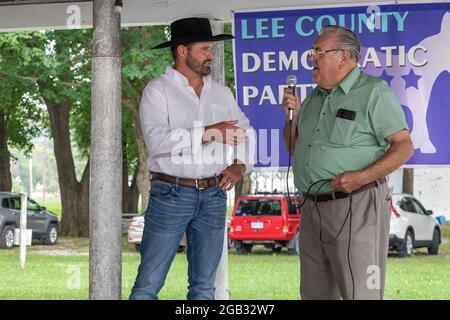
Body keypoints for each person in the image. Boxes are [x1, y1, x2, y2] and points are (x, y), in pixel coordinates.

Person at [282, 25, 414, 300]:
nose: (311, 59)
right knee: (314, 293)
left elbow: (404, 147)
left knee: (360, 292)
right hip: (311, 207)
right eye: (312, 52)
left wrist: (361, 177)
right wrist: (290, 117)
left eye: (319, 52)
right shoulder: (314, 98)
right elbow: (294, 147)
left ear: (344, 56)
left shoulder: (373, 92)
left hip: (356, 204)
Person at [129, 17, 254, 300]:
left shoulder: (221, 93)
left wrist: (239, 164)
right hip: (170, 192)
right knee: (148, 284)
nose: (211, 55)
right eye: (204, 49)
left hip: (213, 195)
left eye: (211, 49)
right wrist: (209, 133)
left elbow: (245, 132)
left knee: (203, 287)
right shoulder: (157, 90)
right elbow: (158, 142)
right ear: (182, 50)